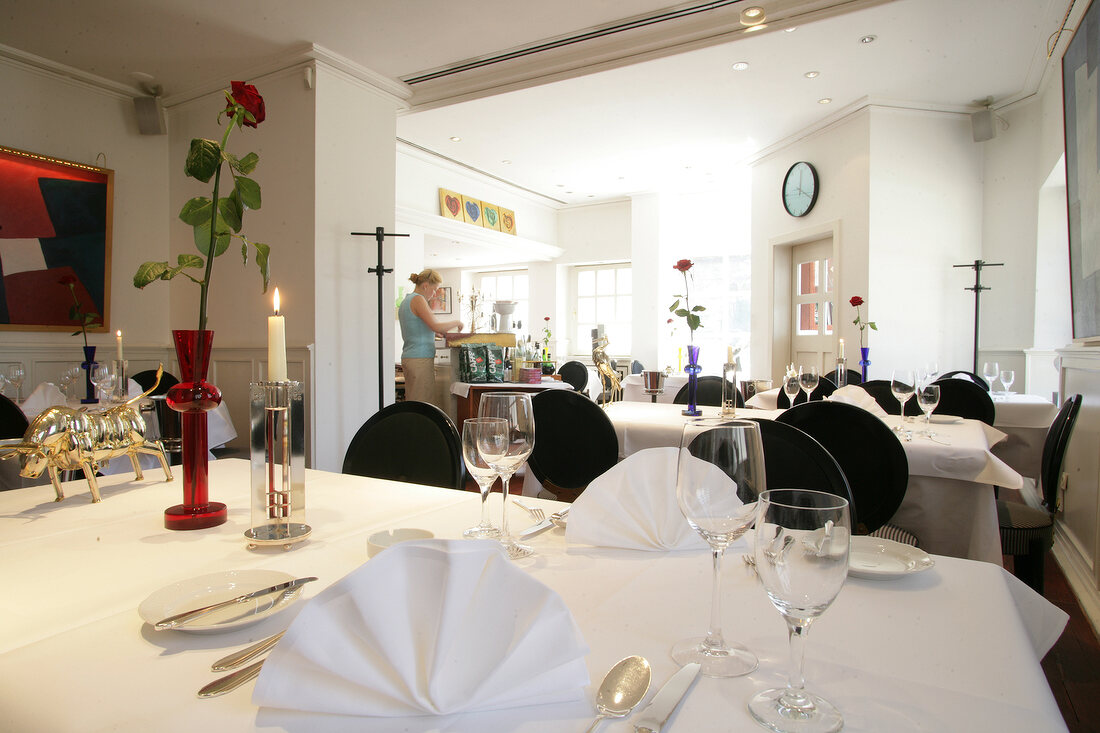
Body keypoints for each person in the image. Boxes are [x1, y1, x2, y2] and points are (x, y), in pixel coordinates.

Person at [399, 269, 462, 404]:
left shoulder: (406, 301)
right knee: (423, 403)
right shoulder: (418, 299)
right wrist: (457, 322)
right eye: (434, 289)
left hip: (410, 357)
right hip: (419, 359)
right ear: (426, 285)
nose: (434, 294)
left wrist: (434, 333)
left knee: (414, 400)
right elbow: (436, 326)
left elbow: (417, 329)